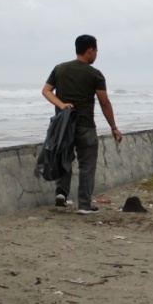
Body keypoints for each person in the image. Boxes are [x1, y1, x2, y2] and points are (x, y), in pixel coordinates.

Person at [42, 35, 122, 214]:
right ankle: (85, 205)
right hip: (85, 124)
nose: (96, 54)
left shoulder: (60, 69)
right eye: (96, 51)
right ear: (90, 50)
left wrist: (61, 105)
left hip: (63, 125)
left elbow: (46, 91)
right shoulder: (95, 74)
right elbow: (104, 102)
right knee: (87, 164)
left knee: (64, 158)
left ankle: (61, 194)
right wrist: (113, 127)